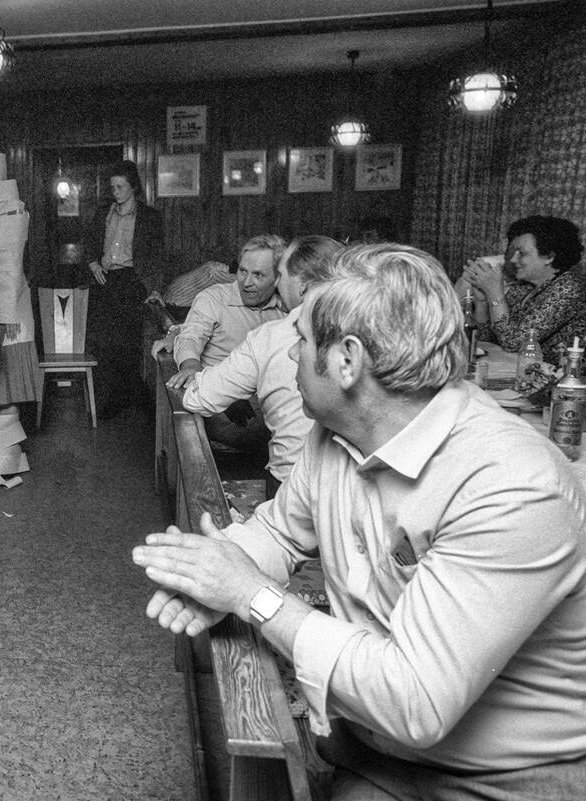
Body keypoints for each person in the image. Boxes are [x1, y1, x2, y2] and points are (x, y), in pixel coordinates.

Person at [134, 243, 586, 798]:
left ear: (347, 361)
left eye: (301, 340)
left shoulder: (512, 486)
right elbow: (278, 531)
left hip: (503, 780)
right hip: (370, 746)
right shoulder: (339, 431)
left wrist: (252, 595)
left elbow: (415, 701)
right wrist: (212, 571)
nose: (291, 352)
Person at [182, 236, 342, 495]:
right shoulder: (365, 328)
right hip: (348, 482)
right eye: (242, 271)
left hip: (290, 479)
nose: (248, 282)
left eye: (274, 275)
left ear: (302, 287)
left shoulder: (275, 331)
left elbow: (197, 397)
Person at [154, 234, 287, 451]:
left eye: (258, 275)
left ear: (278, 278)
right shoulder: (214, 298)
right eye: (243, 271)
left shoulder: (286, 307)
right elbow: (192, 335)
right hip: (225, 408)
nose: (247, 282)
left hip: (269, 401)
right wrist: (191, 365)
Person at [82, 160, 165, 418]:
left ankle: (132, 397)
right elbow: (89, 242)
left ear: (133, 188)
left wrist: (155, 288)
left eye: (120, 187)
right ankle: (121, 398)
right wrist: (93, 264)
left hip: (132, 281)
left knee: (128, 344)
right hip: (106, 282)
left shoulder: (149, 217)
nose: (115, 191)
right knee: (106, 345)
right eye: (113, 187)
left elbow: (157, 255)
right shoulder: (103, 214)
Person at [462, 215, 586, 363]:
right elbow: (487, 339)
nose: (513, 259)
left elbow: (513, 343)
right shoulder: (523, 287)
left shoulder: (569, 288)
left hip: (556, 374)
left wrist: (495, 293)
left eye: (522, 253)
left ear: (549, 257)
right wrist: (482, 301)